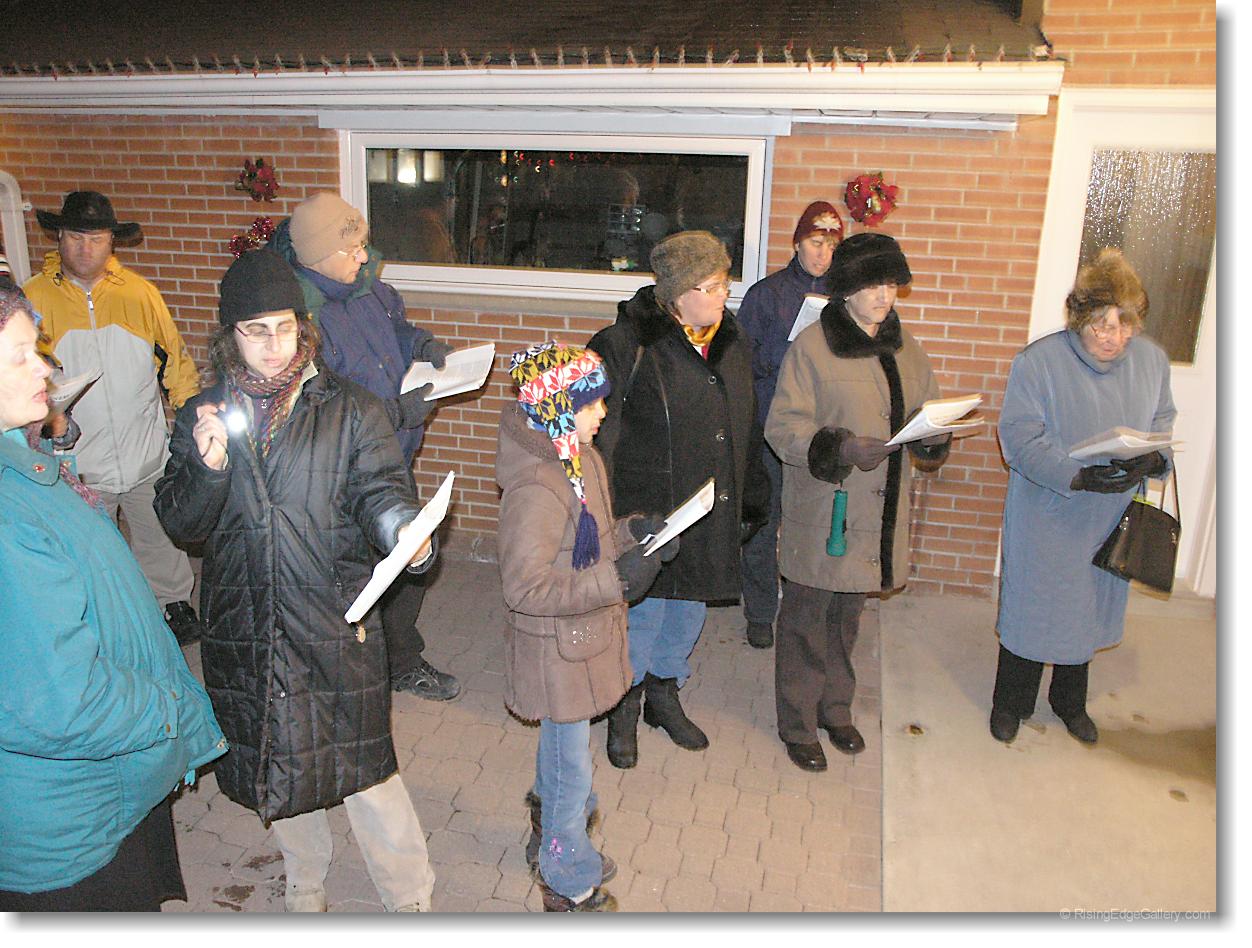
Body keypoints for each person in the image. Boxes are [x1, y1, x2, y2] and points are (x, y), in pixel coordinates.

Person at [153, 250, 438, 912]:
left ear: (303, 326)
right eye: (256, 330)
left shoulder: (350, 409)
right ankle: (305, 879)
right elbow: (179, 521)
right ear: (230, 336)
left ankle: (410, 898)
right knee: (279, 757)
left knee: (366, 767)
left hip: (332, 617)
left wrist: (403, 531)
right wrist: (208, 468)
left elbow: (381, 491)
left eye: (284, 326)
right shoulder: (204, 414)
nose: (273, 344)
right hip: (246, 619)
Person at [0, 277, 226, 910]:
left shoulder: (23, 463)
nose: (44, 368)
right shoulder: (7, 517)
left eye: (37, 349)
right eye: (19, 356)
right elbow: (58, 700)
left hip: (108, 781)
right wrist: (165, 708)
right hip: (71, 817)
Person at [497, 342, 678, 912]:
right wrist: (615, 581)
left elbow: (590, 540)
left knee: (563, 755)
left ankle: (548, 826)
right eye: (591, 403)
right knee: (571, 769)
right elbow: (524, 587)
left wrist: (633, 534)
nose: (603, 412)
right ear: (557, 410)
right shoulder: (536, 488)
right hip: (557, 653)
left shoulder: (582, 458)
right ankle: (566, 875)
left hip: (581, 642)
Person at [765, 233, 950, 772]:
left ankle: (835, 709)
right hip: (827, 510)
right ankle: (797, 724)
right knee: (806, 619)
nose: (883, 296)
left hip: (878, 514)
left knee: (847, 618)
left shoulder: (907, 348)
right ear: (846, 289)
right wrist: (839, 447)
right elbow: (783, 427)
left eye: (891, 284)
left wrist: (934, 434)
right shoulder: (812, 348)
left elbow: (927, 408)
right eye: (872, 285)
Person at [589, 230, 770, 768]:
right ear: (676, 294)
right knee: (645, 611)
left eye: (724, 283)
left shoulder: (731, 341)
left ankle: (664, 693)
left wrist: (751, 493)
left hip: (710, 504)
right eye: (710, 286)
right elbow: (599, 434)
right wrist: (607, 512)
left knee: (689, 608)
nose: (723, 295)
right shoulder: (627, 344)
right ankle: (624, 703)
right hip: (648, 507)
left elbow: (747, 424)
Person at [270, 191, 459, 702]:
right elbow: (322, 412)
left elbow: (396, 331)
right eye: (350, 249)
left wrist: (421, 344)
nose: (362, 255)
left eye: (362, 245)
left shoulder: (369, 289)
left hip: (392, 457)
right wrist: (395, 414)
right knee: (352, 578)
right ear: (317, 257)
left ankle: (401, 661)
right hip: (341, 477)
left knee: (409, 564)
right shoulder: (301, 322)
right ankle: (351, 671)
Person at [990, 249, 1175, 746]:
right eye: (1101, 325)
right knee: (1036, 607)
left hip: (1111, 513)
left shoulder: (1151, 362)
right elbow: (1020, 439)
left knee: (1088, 607)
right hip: (1050, 509)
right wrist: (1077, 476)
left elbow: (1163, 421)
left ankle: (1069, 702)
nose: (1114, 336)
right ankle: (1012, 702)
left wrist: (1152, 460)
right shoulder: (1039, 362)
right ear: (1078, 318)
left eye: (1124, 324)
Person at [24, 191, 204, 644]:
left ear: (112, 242)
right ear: (59, 238)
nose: (86, 248)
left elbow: (177, 364)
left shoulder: (140, 295)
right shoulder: (33, 299)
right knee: (90, 551)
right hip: (79, 462)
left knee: (159, 535)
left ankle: (173, 603)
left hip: (144, 452)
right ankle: (107, 620)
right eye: (76, 237)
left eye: (97, 238)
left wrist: (191, 424)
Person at [736, 200, 845, 648]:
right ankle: (761, 611)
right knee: (765, 523)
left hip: (823, 429)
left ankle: (808, 611)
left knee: (816, 524)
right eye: (816, 243)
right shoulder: (767, 295)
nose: (823, 255)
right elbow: (741, 362)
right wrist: (787, 351)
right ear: (797, 243)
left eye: (831, 246)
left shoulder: (844, 297)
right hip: (771, 425)